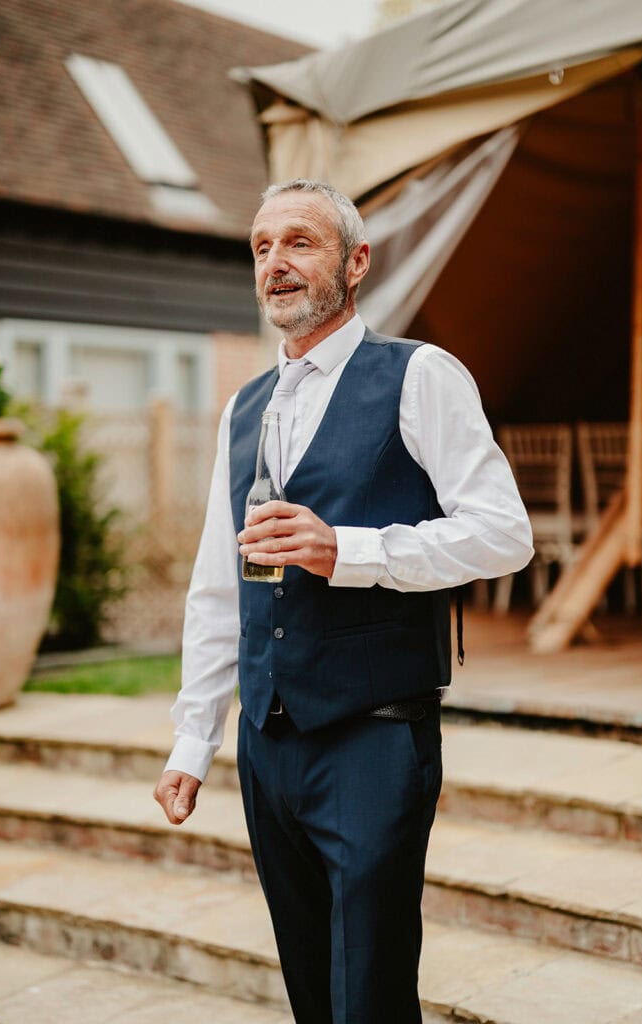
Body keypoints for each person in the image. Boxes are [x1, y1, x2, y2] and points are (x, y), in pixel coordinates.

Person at [154, 179, 533, 1024]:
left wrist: (350, 550)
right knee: (311, 994)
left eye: (299, 242)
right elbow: (216, 585)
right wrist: (193, 738)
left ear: (356, 261)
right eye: (260, 247)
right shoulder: (241, 408)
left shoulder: (419, 375)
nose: (275, 263)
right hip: (266, 748)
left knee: (369, 996)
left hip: (376, 737)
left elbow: (506, 534)